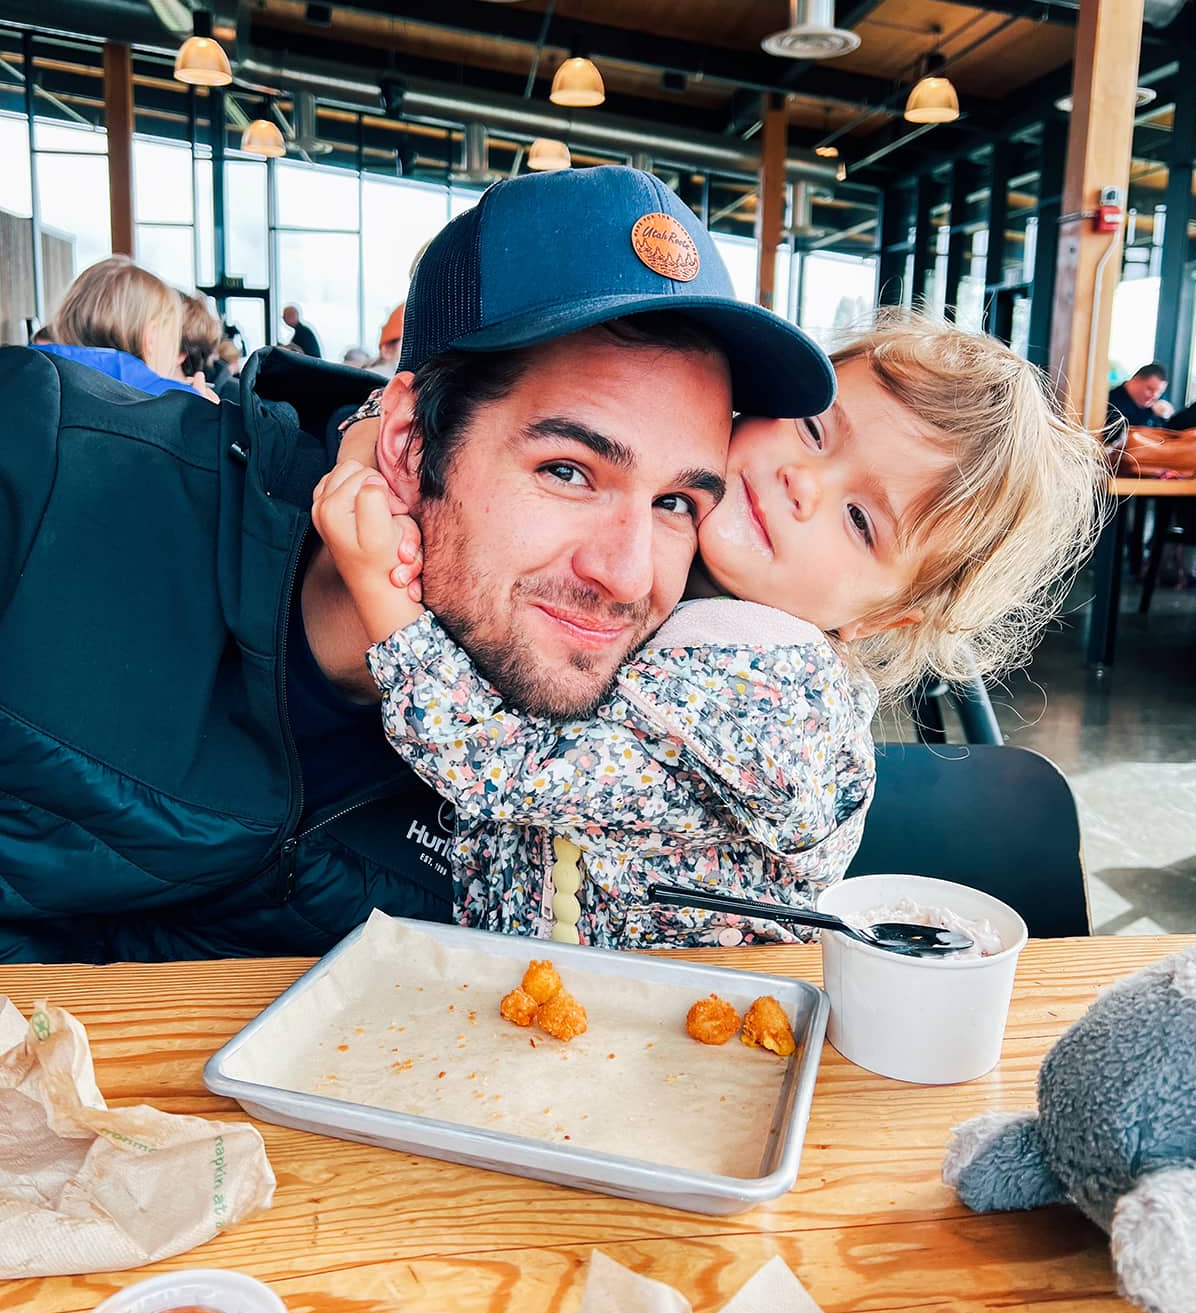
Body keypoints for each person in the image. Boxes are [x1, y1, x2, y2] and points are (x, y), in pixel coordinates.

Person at [0, 165, 831, 963]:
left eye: (676, 503)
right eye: (568, 471)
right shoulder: (44, 470)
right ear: (406, 443)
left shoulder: (622, 743)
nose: (628, 575)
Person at [313, 311, 1105, 949]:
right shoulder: (689, 584)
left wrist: (383, 589)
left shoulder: (772, 689)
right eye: (816, 430)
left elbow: (505, 770)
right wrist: (371, 439)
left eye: (861, 520)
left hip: (676, 1032)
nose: (803, 483)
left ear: (881, 616)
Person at [37, 255, 211, 399]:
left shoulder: (22, 373)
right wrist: (205, 414)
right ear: (151, 337)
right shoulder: (177, 404)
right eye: (172, 338)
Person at [1107, 361, 1173, 431]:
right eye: (1150, 389)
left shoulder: (1159, 402)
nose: (1154, 396)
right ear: (1135, 381)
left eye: (1159, 393)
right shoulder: (1111, 401)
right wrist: (1149, 413)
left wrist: (1166, 416)